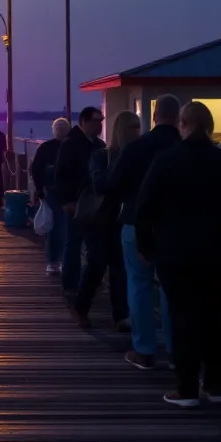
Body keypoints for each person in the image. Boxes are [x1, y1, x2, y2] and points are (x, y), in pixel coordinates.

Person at [134, 101, 221, 408]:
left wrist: (146, 247)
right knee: (216, 316)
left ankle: (187, 388)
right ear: (210, 127)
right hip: (218, 250)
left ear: (182, 125)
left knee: (183, 317)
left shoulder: (166, 161)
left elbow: (144, 209)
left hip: (176, 252)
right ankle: (215, 385)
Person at [104, 94, 182, 370]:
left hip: (136, 222)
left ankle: (145, 350)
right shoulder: (184, 148)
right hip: (175, 227)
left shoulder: (137, 147)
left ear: (155, 115)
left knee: (139, 285)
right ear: (178, 117)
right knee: (174, 289)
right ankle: (177, 353)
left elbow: (112, 185)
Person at [72, 110, 138, 330]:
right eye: (132, 128)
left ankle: (121, 315)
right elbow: (100, 184)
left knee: (119, 267)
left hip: (122, 219)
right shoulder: (101, 155)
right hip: (98, 218)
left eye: (138, 127)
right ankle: (81, 307)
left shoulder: (139, 156)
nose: (137, 132)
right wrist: (124, 162)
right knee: (97, 263)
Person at [55, 107, 105, 298]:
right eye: (96, 120)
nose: (100, 124)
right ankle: (70, 283)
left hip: (96, 203)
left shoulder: (98, 144)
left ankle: (91, 280)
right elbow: (61, 174)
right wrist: (67, 200)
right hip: (76, 202)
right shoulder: (71, 144)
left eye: (102, 120)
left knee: (94, 245)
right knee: (74, 242)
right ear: (84, 121)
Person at [29, 118, 71, 275]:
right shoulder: (72, 147)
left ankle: (55, 261)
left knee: (57, 225)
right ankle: (59, 260)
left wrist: (39, 189)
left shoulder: (45, 147)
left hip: (52, 190)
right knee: (64, 226)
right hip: (66, 192)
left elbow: (36, 169)